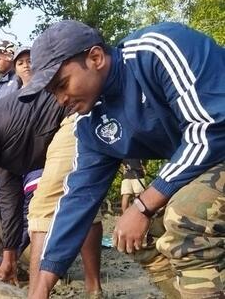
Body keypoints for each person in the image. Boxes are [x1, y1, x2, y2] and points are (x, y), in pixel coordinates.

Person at [19, 20, 225, 298]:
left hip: (218, 143)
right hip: (209, 164)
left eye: (62, 84)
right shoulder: (91, 122)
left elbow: (211, 129)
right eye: (53, 93)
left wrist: (142, 205)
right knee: (137, 236)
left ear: (95, 57)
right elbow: (77, 200)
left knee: (185, 214)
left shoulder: (155, 51)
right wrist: (41, 287)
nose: (60, 100)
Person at [0, 92, 104, 297]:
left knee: (40, 210)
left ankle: (36, 295)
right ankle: (93, 289)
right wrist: (9, 254)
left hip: (73, 116)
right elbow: (9, 198)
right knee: (82, 202)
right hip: (79, 113)